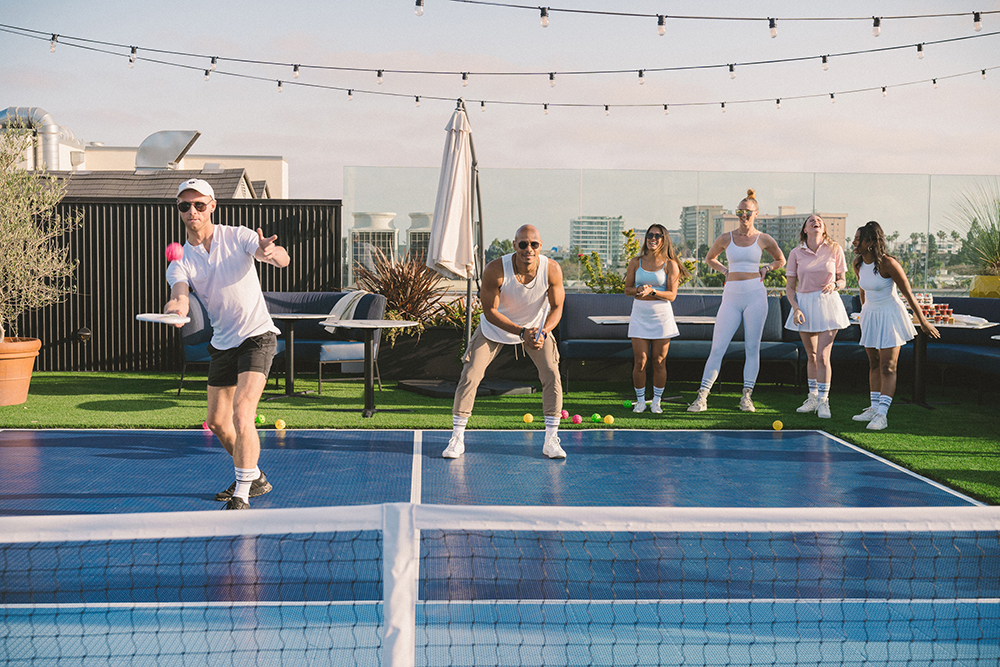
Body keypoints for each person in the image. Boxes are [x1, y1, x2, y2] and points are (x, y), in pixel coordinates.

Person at [163, 178, 290, 509]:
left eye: (199, 205)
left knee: (242, 411)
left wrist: (270, 251)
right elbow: (180, 297)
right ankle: (255, 476)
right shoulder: (180, 261)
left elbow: (280, 259)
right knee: (218, 422)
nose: (192, 211)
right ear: (180, 211)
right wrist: (175, 308)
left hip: (257, 335)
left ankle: (242, 493)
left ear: (212, 206)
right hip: (223, 342)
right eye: (185, 206)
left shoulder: (240, 236)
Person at [443, 224, 566, 459]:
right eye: (523, 244)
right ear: (514, 245)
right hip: (495, 329)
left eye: (534, 244)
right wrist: (522, 332)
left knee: (551, 373)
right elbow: (490, 311)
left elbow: (558, 306)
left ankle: (551, 439)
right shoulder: (495, 269)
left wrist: (543, 332)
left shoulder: (552, 269)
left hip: (535, 330)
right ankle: (457, 438)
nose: (528, 249)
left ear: (540, 246)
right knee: (470, 374)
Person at [688, 189, 785, 413]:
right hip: (731, 296)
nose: (743, 216)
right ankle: (702, 397)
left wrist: (767, 267)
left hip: (755, 295)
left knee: (752, 348)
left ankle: (746, 397)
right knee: (718, 347)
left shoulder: (764, 239)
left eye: (748, 212)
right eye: (740, 212)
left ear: (756, 214)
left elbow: (781, 259)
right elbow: (709, 258)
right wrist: (724, 270)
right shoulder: (726, 238)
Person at [851, 221, 938, 430]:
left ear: (870, 241)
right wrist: (864, 314)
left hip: (890, 315)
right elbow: (864, 290)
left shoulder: (888, 264)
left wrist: (923, 322)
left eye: (858, 239)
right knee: (873, 363)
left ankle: (882, 414)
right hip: (870, 316)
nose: (854, 242)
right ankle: (873, 408)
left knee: (887, 366)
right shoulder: (857, 263)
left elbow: (908, 293)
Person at [784, 215, 851, 418]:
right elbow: (789, 287)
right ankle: (812, 397)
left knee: (823, 356)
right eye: (811, 220)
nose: (816, 221)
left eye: (819, 220)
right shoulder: (796, 253)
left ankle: (824, 401)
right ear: (805, 229)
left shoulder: (835, 249)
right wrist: (796, 308)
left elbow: (843, 280)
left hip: (828, 303)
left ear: (823, 229)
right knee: (811, 356)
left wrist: (835, 285)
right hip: (804, 304)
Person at [624, 224, 689, 413]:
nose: (653, 239)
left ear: (664, 239)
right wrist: (638, 290)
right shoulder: (635, 262)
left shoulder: (671, 264)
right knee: (640, 361)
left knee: (659, 361)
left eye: (658, 236)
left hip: (662, 317)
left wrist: (652, 291)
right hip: (640, 315)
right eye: (650, 235)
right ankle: (641, 401)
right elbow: (627, 290)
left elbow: (672, 295)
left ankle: (657, 402)